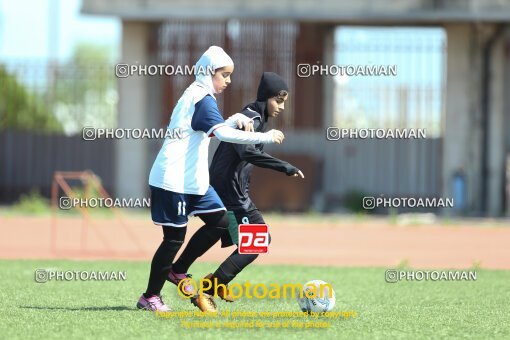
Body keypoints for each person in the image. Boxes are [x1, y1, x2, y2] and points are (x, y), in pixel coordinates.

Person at [137, 47, 285, 312]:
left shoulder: (203, 98)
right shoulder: (201, 97)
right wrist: (265, 137)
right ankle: (150, 296)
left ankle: (181, 271)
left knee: (219, 222)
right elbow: (225, 136)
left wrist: (235, 118)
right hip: (173, 179)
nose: (228, 80)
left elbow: (211, 131)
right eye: (224, 75)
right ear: (208, 72)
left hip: (194, 181)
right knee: (173, 239)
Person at [169, 72, 304, 312]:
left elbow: (243, 160)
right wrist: (285, 167)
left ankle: (187, 272)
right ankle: (207, 288)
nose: (282, 107)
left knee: (239, 235)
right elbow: (246, 153)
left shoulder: (256, 116)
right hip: (228, 191)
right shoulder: (251, 116)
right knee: (256, 242)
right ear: (266, 98)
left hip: (235, 191)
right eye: (278, 101)